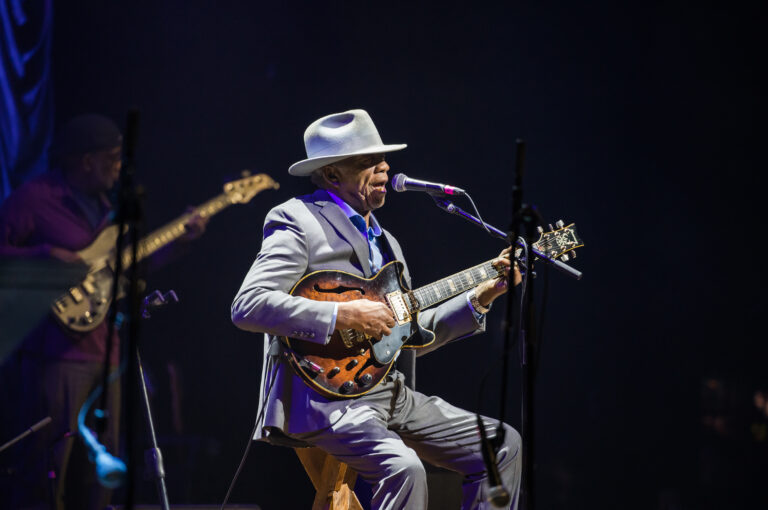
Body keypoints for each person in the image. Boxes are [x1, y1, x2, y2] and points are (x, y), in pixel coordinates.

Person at [231, 109, 522, 509]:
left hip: (389, 393)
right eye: (368, 160)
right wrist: (343, 315)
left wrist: (481, 297)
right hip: (324, 399)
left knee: (502, 445)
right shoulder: (297, 219)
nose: (384, 167)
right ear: (332, 174)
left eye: (383, 158)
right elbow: (248, 305)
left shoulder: (389, 244)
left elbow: (410, 335)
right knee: (404, 468)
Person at [0, 114, 206, 510]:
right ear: (87, 161)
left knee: (105, 466)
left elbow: (128, 271)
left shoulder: (109, 208)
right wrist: (45, 256)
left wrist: (180, 243)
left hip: (106, 350)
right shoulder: (36, 198)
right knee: (47, 463)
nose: (119, 167)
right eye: (112, 158)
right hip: (55, 354)